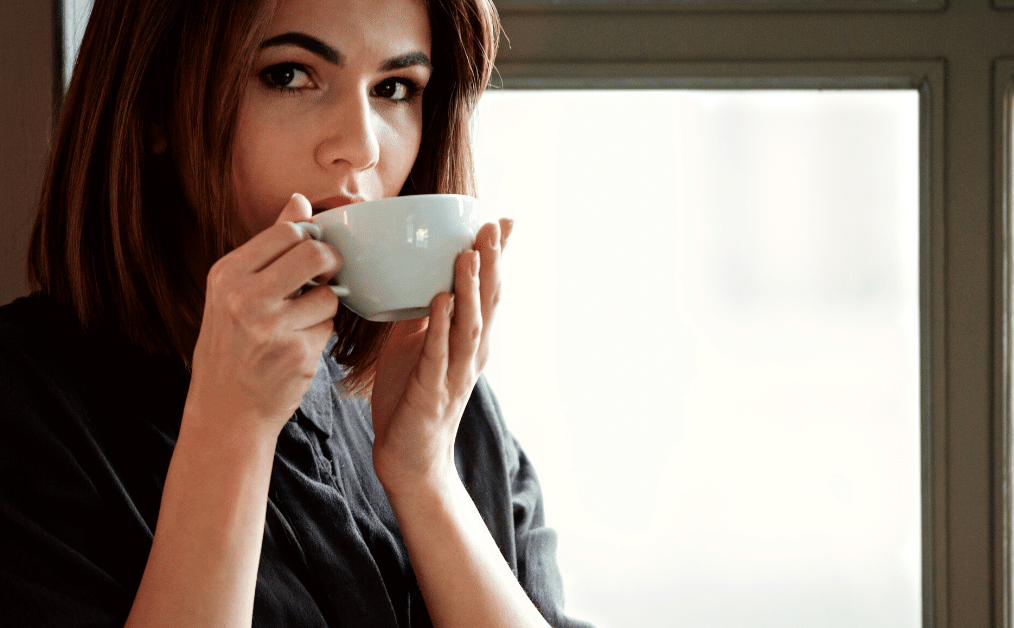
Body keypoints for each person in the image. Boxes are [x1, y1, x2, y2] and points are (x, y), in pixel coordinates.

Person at [0, 0, 592, 626]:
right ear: (154, 104)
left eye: (395, 88)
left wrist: (426, 479)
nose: (362, 147)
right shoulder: (29, 407)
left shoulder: (441, 401)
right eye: (288, 75)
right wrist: (230, 433)